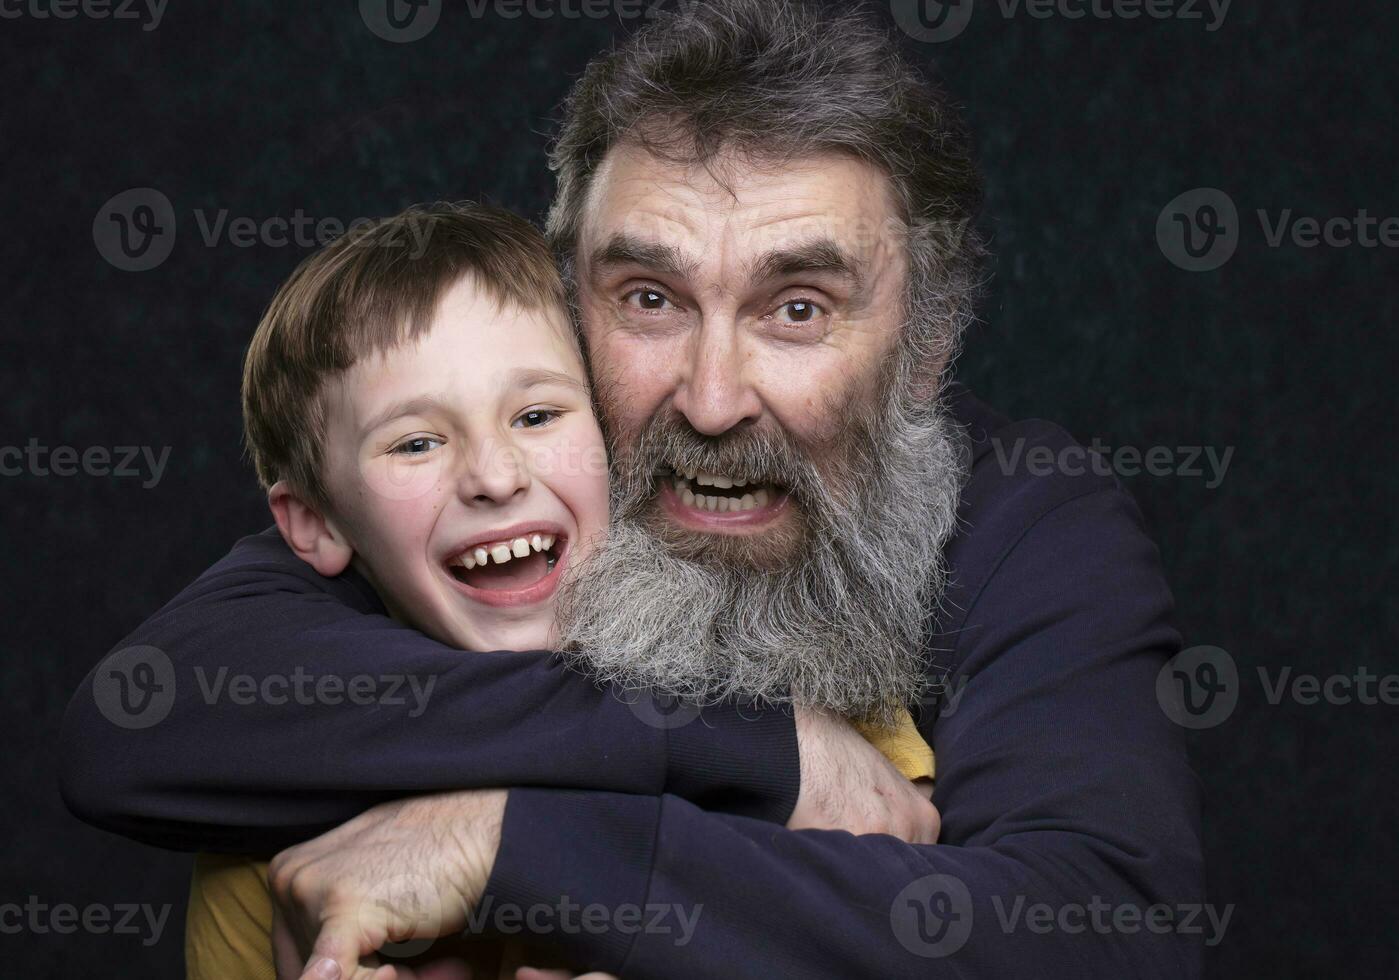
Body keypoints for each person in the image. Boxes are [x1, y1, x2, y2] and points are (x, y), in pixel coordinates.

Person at [62, 2, 1203, 976]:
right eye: (649, 298)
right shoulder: (499, 496)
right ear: (564, 309)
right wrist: (749, 746)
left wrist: (513, 849)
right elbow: (146, 724)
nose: (710, 400)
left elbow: (1100, 931)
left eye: (796, 307)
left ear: (927, 342)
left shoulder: (1027, 518)